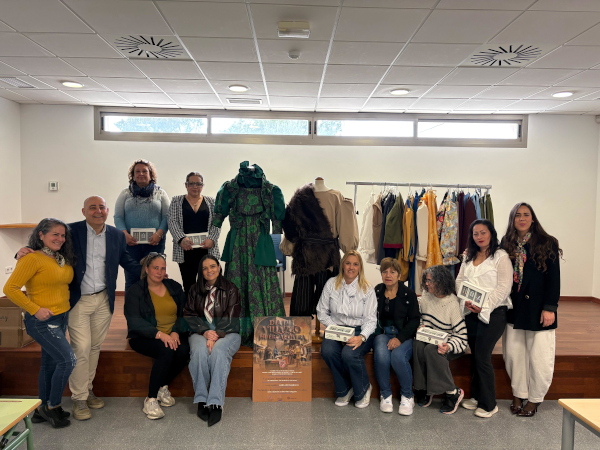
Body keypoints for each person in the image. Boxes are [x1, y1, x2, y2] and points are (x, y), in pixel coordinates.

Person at [15, 196, 142, 421]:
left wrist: (149, 272)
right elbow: (46, 245)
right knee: (81, 348)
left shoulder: (116, 235)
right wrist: (22, 251)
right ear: (84, 211)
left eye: (102, 207)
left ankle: (88, 389)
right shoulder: (70, 231)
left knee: (94, 347)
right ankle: (79, 398)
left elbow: (126, 260)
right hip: (78, 301)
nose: (98, 211)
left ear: (108, 210)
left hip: (104, 299)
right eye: (92, 207)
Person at [4, 219, 77, 428]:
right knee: (68, 361)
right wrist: (34, 309)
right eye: (55, 234)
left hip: (61, 317)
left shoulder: (60, 258)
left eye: (63, 235)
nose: (60, 239)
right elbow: (10, 289)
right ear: (41, 235)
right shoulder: (31, 258)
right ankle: (52, 406)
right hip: (42, 321)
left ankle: (40, 408)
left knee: (50, 363)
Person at [501, 203, 562, 417]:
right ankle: (519, 394)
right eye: (517, 215)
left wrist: (550, 308)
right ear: (512, 219)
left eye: (526, 214)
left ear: (532, 218)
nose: (522, 218)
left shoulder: (547, 242)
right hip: (514, 307)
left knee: (540, 356)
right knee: (514, 354)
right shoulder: (506, 243)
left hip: (539, 308)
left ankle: (535, 398)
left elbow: (554, 279)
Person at [456, 219, 513, 418]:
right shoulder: (468, 256)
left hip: (494, 313)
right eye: (475, 233)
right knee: (475, 355)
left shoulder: (500, 256)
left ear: (491, 234)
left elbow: (504, 287)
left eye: (483, 232)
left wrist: (484, 305)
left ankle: (489, 404)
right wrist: (466, 301)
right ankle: (477, 396)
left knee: (482, 355)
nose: (479, 237)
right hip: (470, 311)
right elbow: (460, 281)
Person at [124, 253, 190, 420]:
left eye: (163, 268)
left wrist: (175, 331)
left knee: (184, 350)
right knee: (166, 350)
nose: (160, 272)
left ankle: (162, 388)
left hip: (172, 333)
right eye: (155, 268)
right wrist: (159, 335)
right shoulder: (135, 291)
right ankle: (151, 399)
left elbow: (185, 313)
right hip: (144, 336)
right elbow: (134, 320)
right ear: (147, 269)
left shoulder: (174, 287)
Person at [184, 255, 241, 427]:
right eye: (205, 268)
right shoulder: (194, 289)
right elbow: (189, 314)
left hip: (228, 332)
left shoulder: (231, 289)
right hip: (200, 331)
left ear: (219, 267)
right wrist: (205, 332)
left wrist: (215, 335)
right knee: (199, 351)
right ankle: (202, 399)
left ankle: (216, 402)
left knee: (219, 352)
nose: (209, 270)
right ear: (201, 272)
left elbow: (231, 317)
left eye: (213, 266)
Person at [316, 250, 377, 409]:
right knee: (328, 351)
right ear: (342, 265)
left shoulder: (367, 288)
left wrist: (361, 337)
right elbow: (321, 311)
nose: (351, 267)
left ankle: (364, 388)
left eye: (355, 264)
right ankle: (344, 388)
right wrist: (336, 330)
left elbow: (371, 320)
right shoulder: (331, 284)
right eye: (348, 263)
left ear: (360, 267)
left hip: (359, 330)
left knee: (349, 354)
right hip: (336, 327)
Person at [413, 265, 467, 415]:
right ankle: (423, 388)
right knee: (417, 345)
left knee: (432, 350)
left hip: (448, 344)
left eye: (430, 281)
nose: (427, 284)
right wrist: (420, 326)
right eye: (426, 280)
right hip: (429, 338)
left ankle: (452, 392)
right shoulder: (426, 296)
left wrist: (448, 346)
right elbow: (421, 318)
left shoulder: (452, 303)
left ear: (441, 281)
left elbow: (462, 337)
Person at [114, 159, 170, 293]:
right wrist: (125, 234)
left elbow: (167, 217)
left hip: (155, 243)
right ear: (133, 175)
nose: (141, 174)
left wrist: (159, 234)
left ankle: (151, 306)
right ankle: (132, 307)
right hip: (131, 243)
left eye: (144, 171)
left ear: (151, 174)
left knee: (154, 278)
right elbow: (118, 217)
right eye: (137, 171)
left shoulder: (161, 193)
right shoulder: (125, 193)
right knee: (132, 279)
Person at [373, 257, 420, 415]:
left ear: (399, 275)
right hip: (383, 333)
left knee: (398, 357)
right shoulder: (377, 291)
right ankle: (385, 394)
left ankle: (407, 396)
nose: (388, 275)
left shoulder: (408, 294)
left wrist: (399, 339)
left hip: (403, 335)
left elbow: (414, 320)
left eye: (393, 272)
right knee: (381, 354)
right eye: (385, 271)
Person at [167, 172, 221, 299]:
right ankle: (190, 309)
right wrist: (181, 239)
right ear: (186, 185)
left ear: (202, 185)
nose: (195, 186)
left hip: (207, 249)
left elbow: (217, 223)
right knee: (188, 284)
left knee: (209, 283)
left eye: (198, 184)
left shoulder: (212, 202)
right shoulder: (176, 201)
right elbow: (172, 221)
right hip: (185, 250)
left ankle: (208, 309)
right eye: (191, 183)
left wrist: (212, 239)